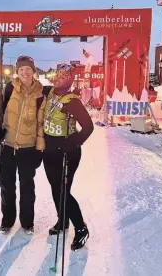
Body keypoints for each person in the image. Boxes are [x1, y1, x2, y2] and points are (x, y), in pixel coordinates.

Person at [0, 55, 45, 235]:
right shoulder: (9, 88)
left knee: (27, 187)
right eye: (21, 70)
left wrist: (39, 149)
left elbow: (41, 123)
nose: (25, 72)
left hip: (28, 148)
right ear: (17, 72)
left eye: (28, 69)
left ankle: (27, 222)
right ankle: (7, 220)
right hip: (8, 146)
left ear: (33, 71)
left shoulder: (41, 93)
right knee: (7, 185)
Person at [42, 63, 94, 251]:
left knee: (63, 190)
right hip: (49, 150)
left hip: (67, 152)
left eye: (64, 76)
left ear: (70, 80)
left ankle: (81, 228)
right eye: (58, 75)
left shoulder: (72, 101)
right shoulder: (48, 92)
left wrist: (72, 143)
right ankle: (62, 220)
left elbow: (88, 127)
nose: (59, 78)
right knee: (56, 188)